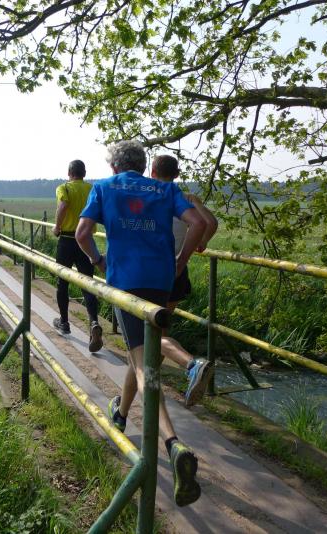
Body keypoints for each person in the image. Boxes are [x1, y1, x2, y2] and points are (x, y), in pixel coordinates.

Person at [75, 140, 206, 507]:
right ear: (143, 164)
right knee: (144, 357)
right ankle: (121, 413)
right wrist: (180, 261)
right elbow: (198, 223)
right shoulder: (165, 189)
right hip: (161, 280)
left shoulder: (104, 187)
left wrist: (98, 262)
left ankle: (172, 444)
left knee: (144, 365)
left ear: (115, 167)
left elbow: (82, 234)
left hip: (126, 282)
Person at [146, 154, 219, 407]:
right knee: (161, 328)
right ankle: (152, 377)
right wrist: (201, 242)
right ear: (177, 174)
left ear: (152, 172)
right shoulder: (184, 199)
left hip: (151, 271)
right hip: (178, 270)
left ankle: (192, 364)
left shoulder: (150, 195)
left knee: (149, 333)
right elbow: (210, 222)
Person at [51, 160, 103, 352]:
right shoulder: (92, 188)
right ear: (84, 173)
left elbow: (63, 205)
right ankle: (94, 322)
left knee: (62, 282)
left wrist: (57, 227)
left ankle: (64, 322)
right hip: (86, 240)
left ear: (69, 173)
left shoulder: (64, 188)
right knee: (87, 283)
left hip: (66, 240)